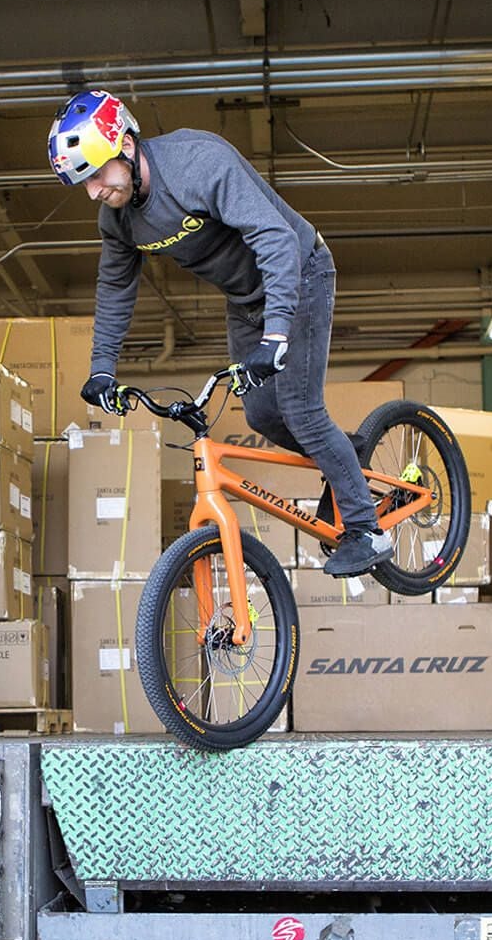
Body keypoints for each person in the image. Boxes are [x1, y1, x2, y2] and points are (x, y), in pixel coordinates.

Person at [48, 90, 393, 577]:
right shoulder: (118, 220)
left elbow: (273, 238)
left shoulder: (196, 163)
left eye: (97, 174)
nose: (93, 191)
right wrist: (101, 369)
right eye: (82, 182)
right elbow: (115, 286)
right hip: (244, 298)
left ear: (125, 145)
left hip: (299, 270)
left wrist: (277, 335)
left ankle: (366, 530)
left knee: (300, 409)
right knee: (260, 414)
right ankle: (350, 457)